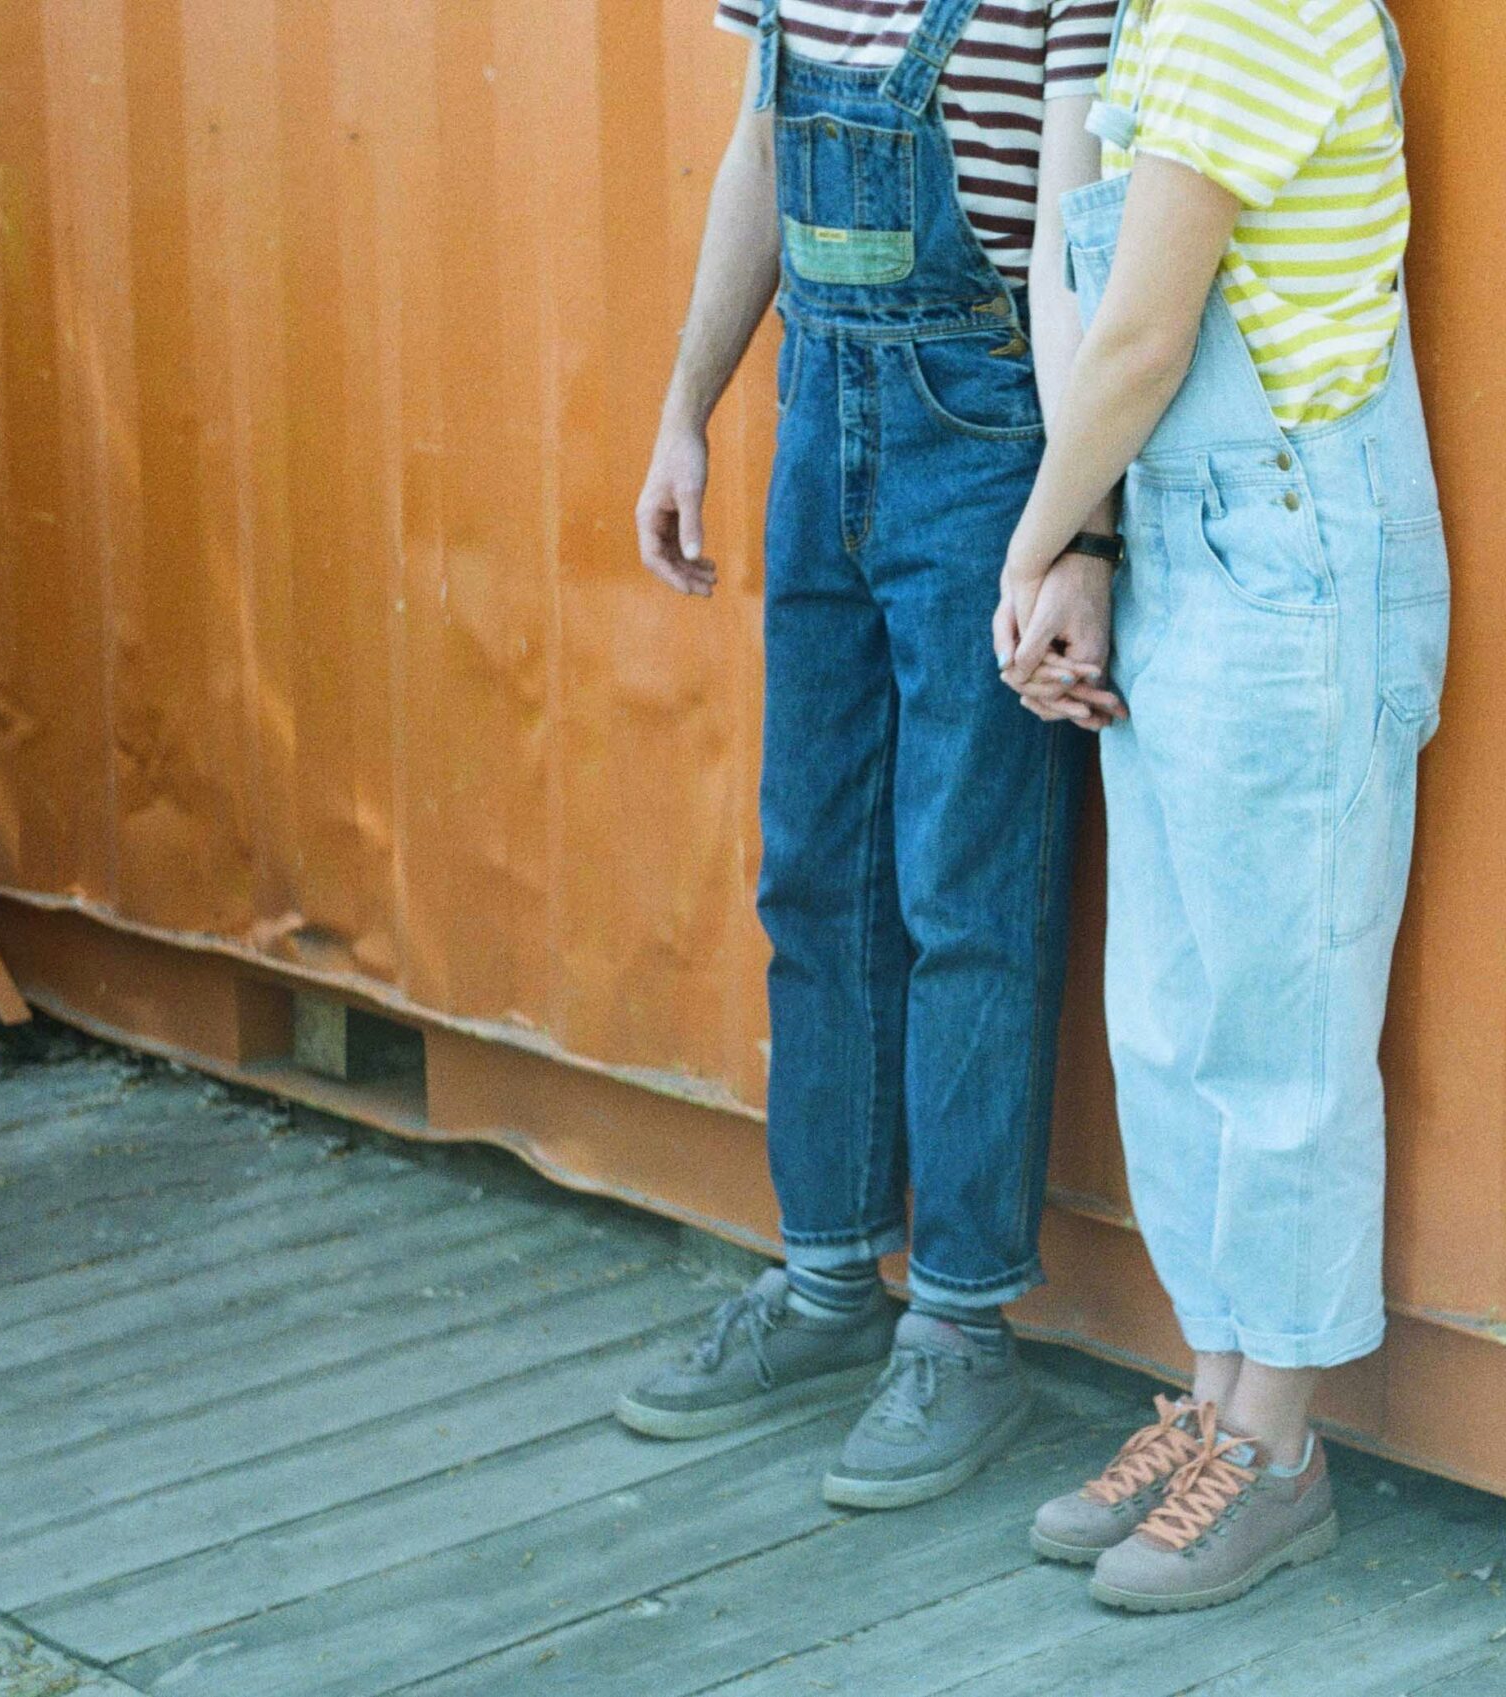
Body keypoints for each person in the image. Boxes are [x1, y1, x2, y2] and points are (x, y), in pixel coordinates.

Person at [623, 0, 1124, 1511]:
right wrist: (684, 412)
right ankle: (831, 1278)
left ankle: (964, 1323)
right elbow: (762, 147)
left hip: (982, 431)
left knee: (969, 889)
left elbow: (1068, 229)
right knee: (816, 869)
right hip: (818, 406)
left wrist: (1077, 520)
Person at [992, 0, 1449, 1611]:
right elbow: (1085, 282)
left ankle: (1282, 1451)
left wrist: (1035, 544)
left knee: (1283, 1023)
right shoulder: (1158, 22)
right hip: (1190, 541)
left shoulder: (1253, 6)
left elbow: (1138, 337)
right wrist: (1100, 552)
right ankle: (1214, 1398)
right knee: (1173, 1014)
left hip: (1287, 557)